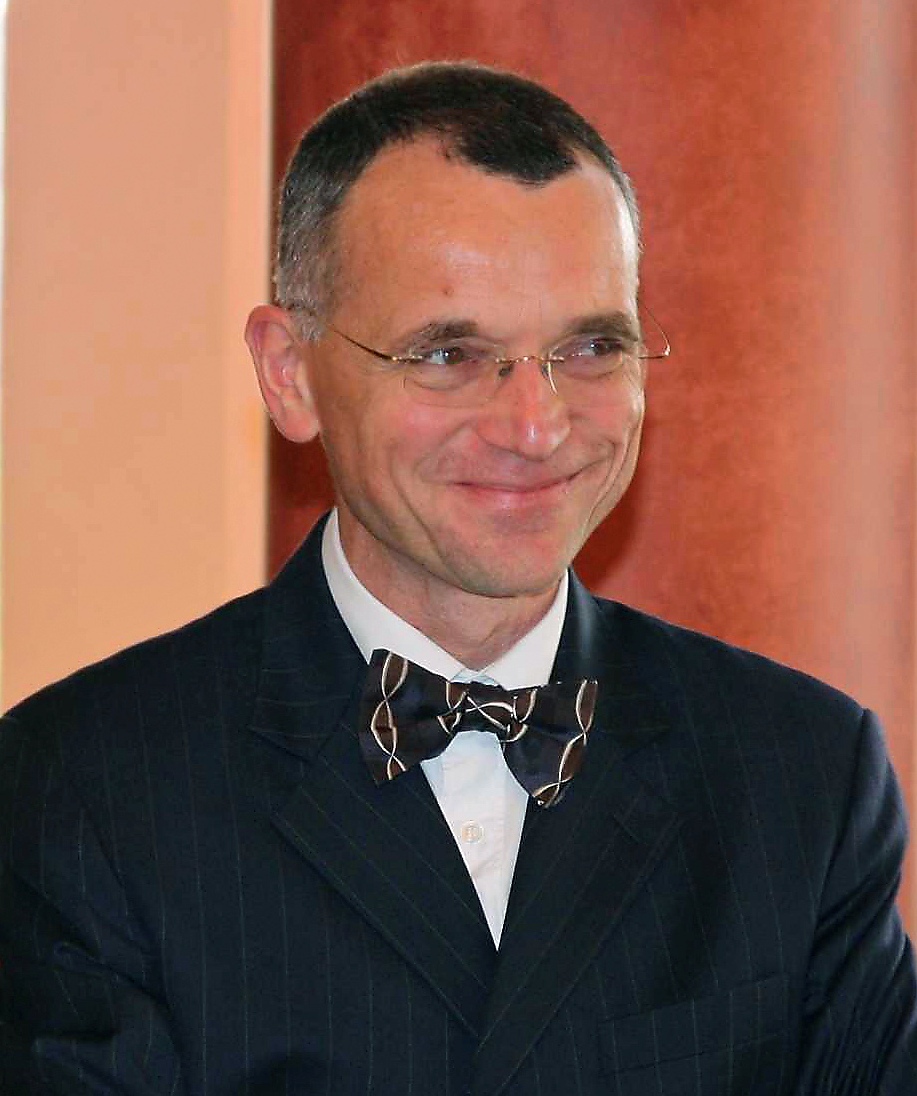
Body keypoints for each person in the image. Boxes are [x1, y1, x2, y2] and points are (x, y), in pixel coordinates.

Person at [1, 61, 915, 1096]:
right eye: (447, 354)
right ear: (290, 374)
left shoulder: (799, 774)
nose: (535, 426)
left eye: (588, 346)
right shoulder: (84, 787)